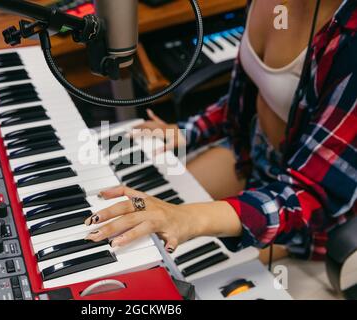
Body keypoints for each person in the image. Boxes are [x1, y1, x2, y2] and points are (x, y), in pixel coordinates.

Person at [85, 0, 357, 261]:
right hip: (249, 152)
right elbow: (256, 91)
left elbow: (313, 197)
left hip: (304, 207)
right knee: (139, 217)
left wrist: (188, 219)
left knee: (179, 262)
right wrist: (186, 132)